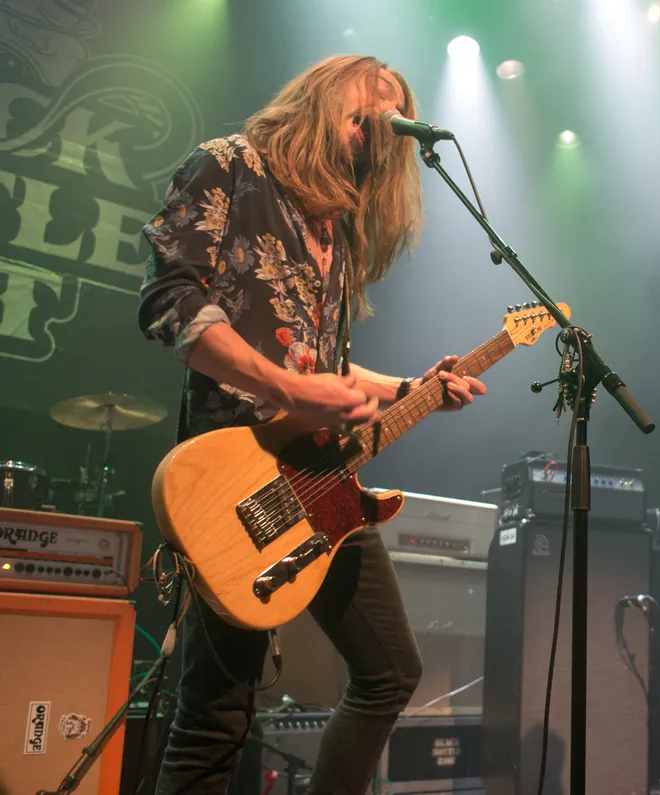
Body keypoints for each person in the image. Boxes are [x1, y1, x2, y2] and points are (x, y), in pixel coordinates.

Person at [138, 55, 487, 794]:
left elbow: (324, 368)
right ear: (322, 93)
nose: (379, 120)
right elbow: (171, 305)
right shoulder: (229, 165)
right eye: (367, 104)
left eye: (391, 116)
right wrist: (293, 389)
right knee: (217, 717)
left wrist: (412, 389)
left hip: (322, 484)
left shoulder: (335, 225)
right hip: (235, 483)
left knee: (391, 672)